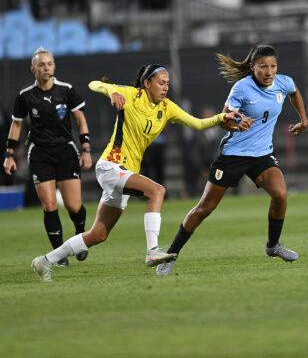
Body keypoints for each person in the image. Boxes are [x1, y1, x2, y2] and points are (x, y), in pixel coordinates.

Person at [30, 64, 247, 282]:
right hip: (111, 166)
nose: (165, 88)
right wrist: (112, 91)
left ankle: (44, 261)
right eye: (161, 83)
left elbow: (198, 124)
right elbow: (93, 84)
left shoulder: (167, 107)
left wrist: (221, 118)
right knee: (157, 191)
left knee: (98, 234)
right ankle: (152, 250)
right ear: (147, 83)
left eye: (167, 84)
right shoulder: (131, 95)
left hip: (125, 172)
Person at [156, 44, 308, 276]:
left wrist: (303, 120)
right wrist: (237, 125)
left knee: (281, 194)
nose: (269, 72)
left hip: (262, 154)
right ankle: (170, 255)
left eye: (273, 66)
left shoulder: (283, 82)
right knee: (204, 208)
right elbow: (224, 120)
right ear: (252, 67)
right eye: (263, 67)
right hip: (233, 155)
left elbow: (294, 92)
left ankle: (273, 246)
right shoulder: (242, 88)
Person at [3, 47, 92, 267]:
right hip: (40, 153)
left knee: (73, 206)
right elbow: (16, 124)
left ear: (54, 66)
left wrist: (86, 149)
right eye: (41, 64)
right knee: (49, 205)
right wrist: (9, 155)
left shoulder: (67, 90)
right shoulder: (25, 96)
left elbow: (80, 119)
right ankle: (59, 254)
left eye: (49, 64)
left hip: (65, 151)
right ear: (33, 69)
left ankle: (80, 236)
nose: (46, 68)